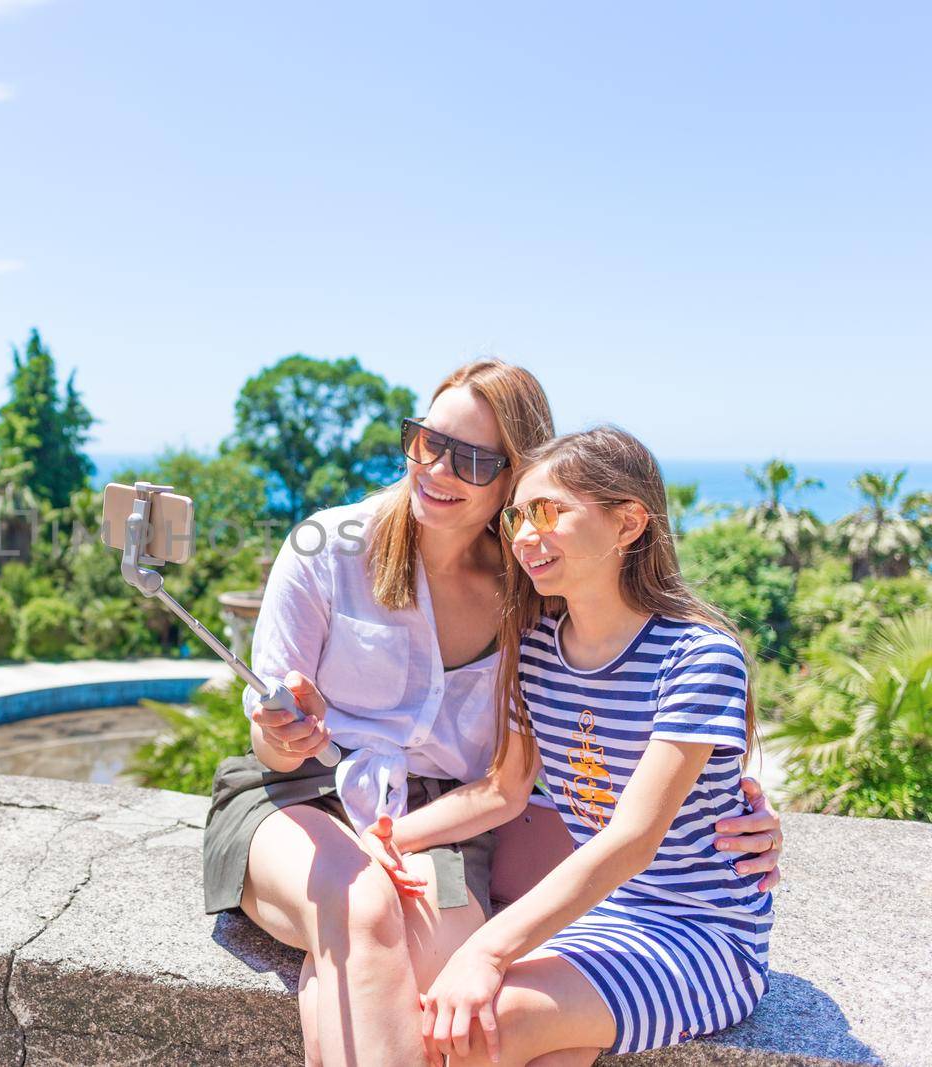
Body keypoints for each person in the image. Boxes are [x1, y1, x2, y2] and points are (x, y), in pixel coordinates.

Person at [199, 360, 784, 1067]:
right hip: (314, 800)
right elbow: (514, 785)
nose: (438, 468)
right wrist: (314, 764)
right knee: (382, 938)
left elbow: (619, 813)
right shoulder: (511, 632)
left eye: (473, 459)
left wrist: (736, 799)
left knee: (451, 1011)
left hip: (650, 913)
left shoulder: (570, 619)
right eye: (426, 442)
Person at [409, 425, 773, 1066]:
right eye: (518, 516)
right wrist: (384, 841)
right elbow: (504, 790)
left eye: (548, 512)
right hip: (604, 919)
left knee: (473, 1028)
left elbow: (634, 837)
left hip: (706, 936)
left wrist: (487, 948)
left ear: (628, 522)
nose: (525, 535)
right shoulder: (539, 649)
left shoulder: (696, 657)